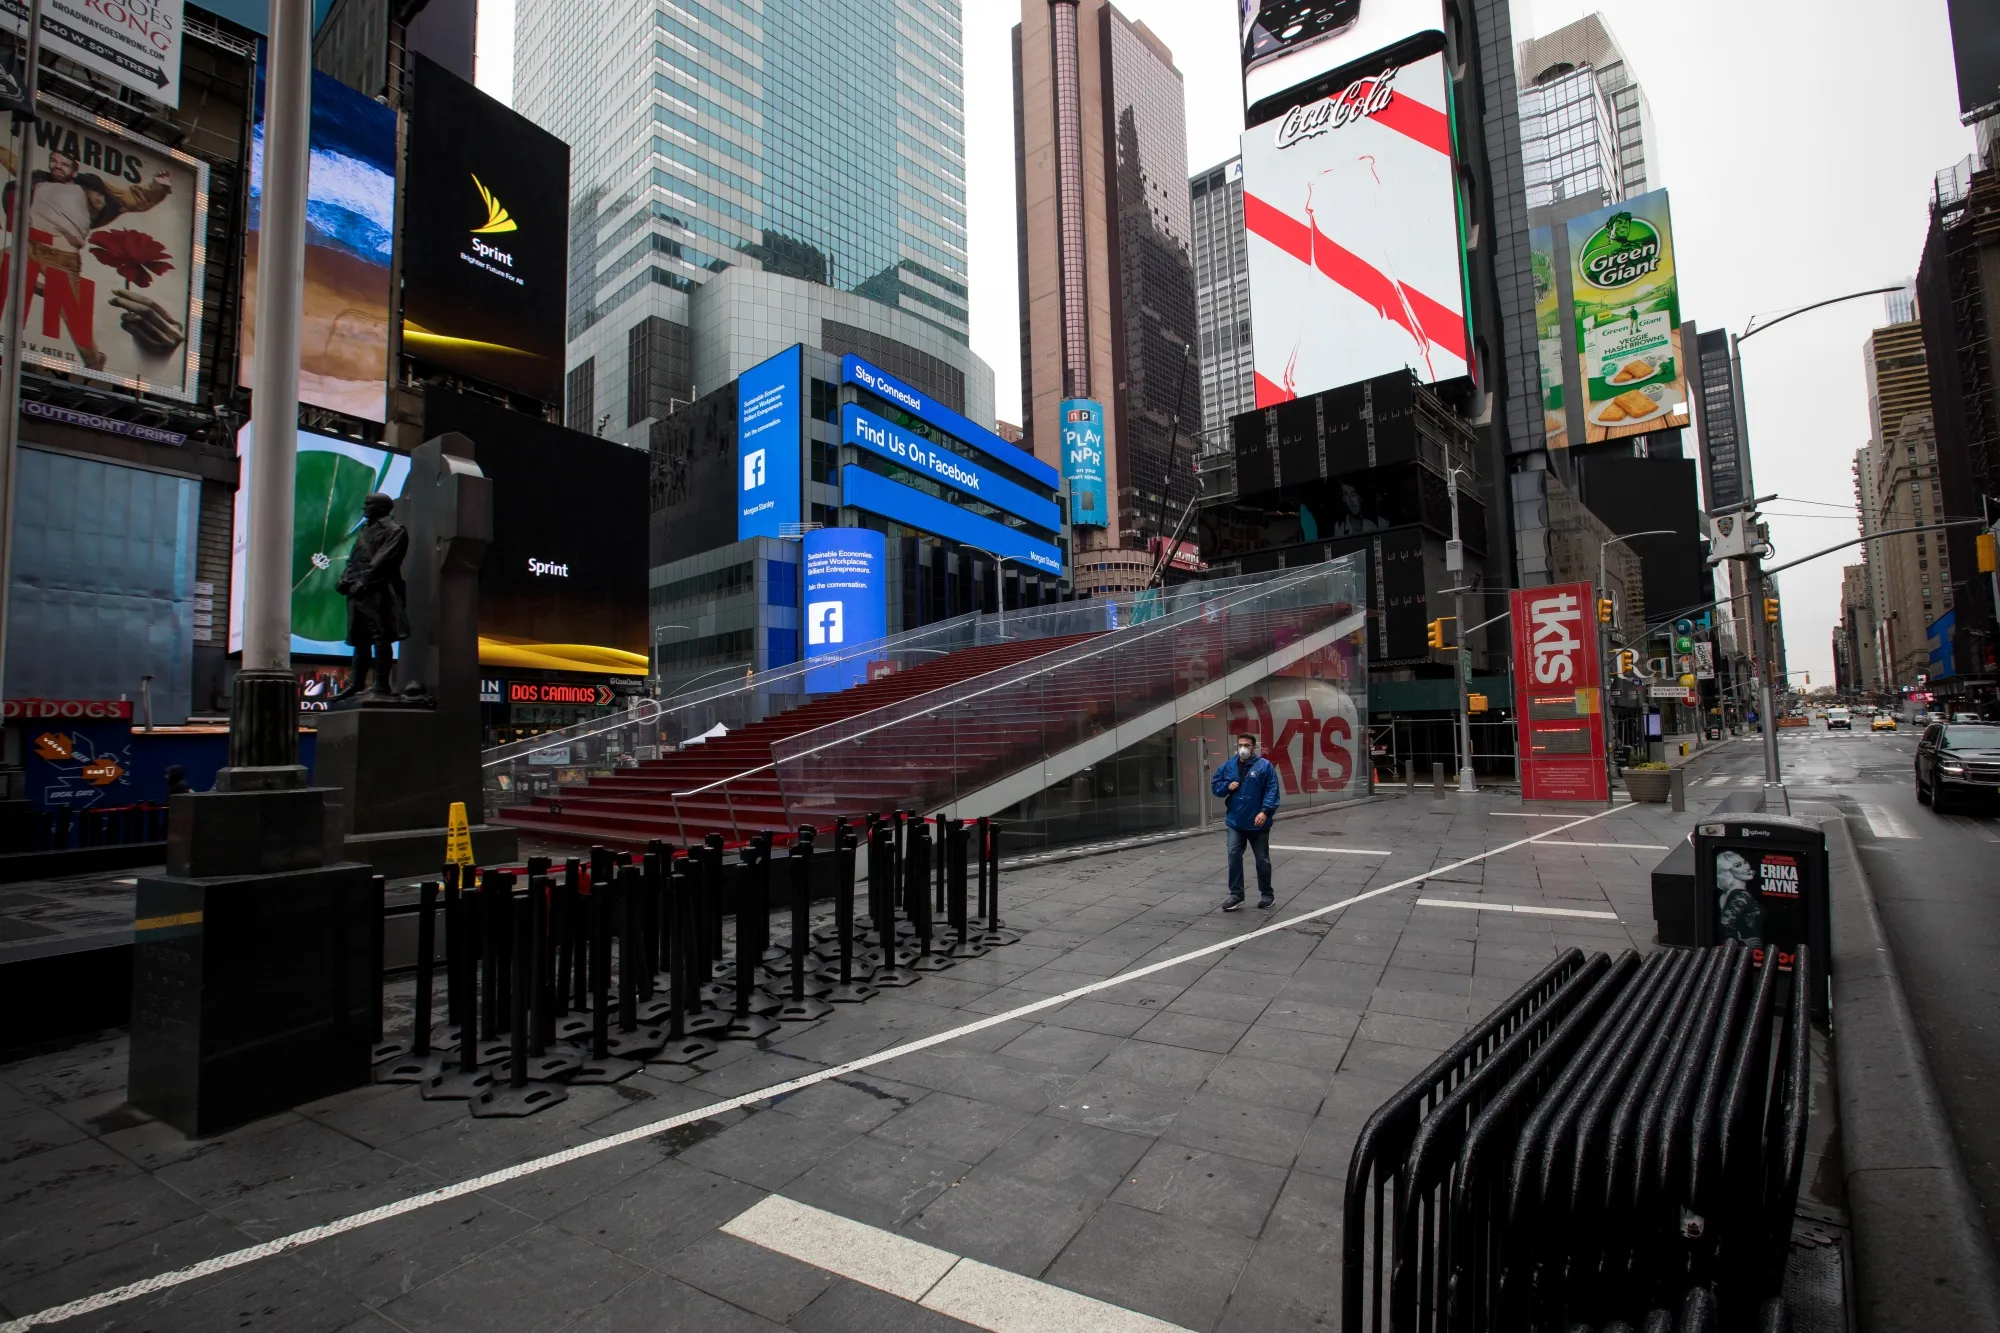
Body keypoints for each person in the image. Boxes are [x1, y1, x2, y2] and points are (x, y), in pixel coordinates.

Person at [1212, 731, 1281, 911]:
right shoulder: (1229, 766)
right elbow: (1216, 786)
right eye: (1240, 745)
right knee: (1233, 856)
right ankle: (1236, 895)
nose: (1243, 748)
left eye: (1247, 745)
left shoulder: (1264, 766)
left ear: (1254, 747)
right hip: (1235, 821)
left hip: (1258, 823)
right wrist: (1226, 786)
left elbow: (1272, 790)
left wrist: (1265, 811)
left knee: (1262, 859)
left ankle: (1267, 894)